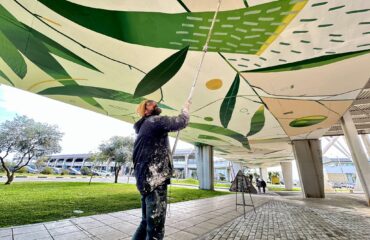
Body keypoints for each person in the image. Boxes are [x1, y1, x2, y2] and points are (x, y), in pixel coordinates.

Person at [132, 99, 190, 240]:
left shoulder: (145, 126)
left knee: (146, 223)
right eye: (150, 103)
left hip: (146, 181)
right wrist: (186, 109)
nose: (155, 104)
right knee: (155, 229)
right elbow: (180, 122)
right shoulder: (154, 121)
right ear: (145, 111)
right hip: (155, 181)